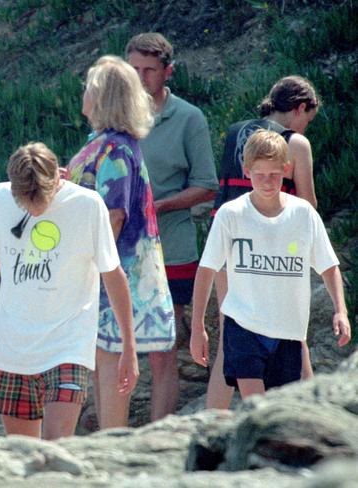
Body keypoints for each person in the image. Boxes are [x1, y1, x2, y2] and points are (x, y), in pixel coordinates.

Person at [0, 142, 139, 440]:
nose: (34, 208)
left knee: (54, 449)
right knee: (24, 454)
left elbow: (114, 276)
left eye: (41, 198)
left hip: (68, 346)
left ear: (58, 179)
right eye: (25, 200)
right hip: (15, 348)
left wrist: (129, 345)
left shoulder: (87, 205)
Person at [190, 130, 351, 399]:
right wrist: (198, 327)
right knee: (257, 407)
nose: (267, 182)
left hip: (289, 330)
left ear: (286, 170)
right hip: (243, 324)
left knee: (289, 413)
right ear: (246, 170)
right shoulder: (231, 215)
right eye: (259, 174)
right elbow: (206, 270)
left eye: (274, 174)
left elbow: (328, 265)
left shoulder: (303, 214)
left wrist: (340, 310)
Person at [65, 56, 175, 429]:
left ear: (104, 95)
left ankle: (112, 445)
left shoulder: (115, 149)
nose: (84, 92)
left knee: (111, 365)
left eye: (90, 86)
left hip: (114, 274)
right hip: (100, 274)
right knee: (101, 360)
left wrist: (86, 266)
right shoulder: (101, 144)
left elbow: (114, 215)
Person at [207, 76, 321, 409]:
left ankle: (210, 424)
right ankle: (314, 416)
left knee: (231, 341)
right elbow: (307, 206)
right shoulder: (295, 144)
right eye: (307, 120)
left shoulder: (235, 133)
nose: (305, 128)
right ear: (300, 108)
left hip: (229, 249)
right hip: (270, 256)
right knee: (293, 335)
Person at [125, 32, 219, 420]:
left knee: (163, 350)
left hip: (171, 248)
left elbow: (207, 186)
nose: (141, 77)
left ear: (169, 71)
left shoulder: (188, 118)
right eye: (133, 70)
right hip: (119, 247)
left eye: (149, 70)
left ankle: (157, 436)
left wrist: (160, 205)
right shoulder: (116, 116)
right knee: (114, 344)